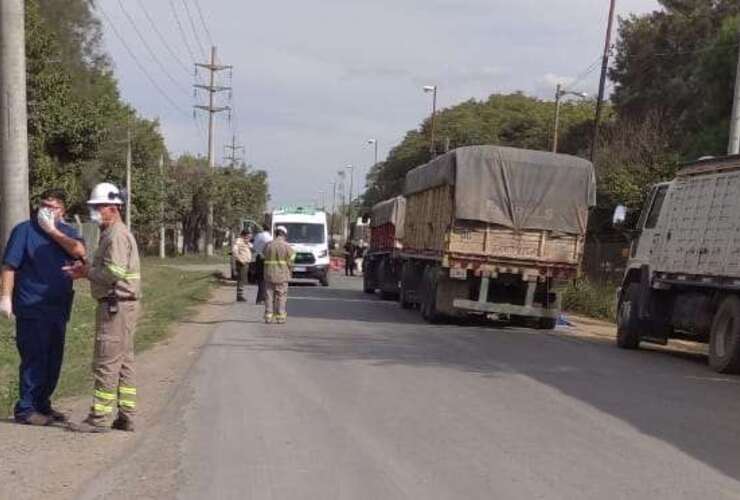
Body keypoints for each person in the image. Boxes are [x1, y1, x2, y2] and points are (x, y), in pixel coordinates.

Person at [1, 189, 86, 426]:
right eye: (44, 205)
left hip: (58, 307)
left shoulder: (67, 232)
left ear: (63, 211)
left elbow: (80, 252)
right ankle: (26, 408)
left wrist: (53, 231)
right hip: (31, 306)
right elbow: (9, 266)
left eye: (54, 207)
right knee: (34, 357)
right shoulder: (24, 231)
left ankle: (43, 404)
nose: (47, 210)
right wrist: (5, 296)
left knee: (53, 359)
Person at [64, 183, 141, 433]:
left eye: (99, 207)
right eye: (93, 207)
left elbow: (113, 272)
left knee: (106, 362)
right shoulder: (112, 233)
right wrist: (86, 272)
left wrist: (87, 272)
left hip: (115, 307)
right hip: (123, 307)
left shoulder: (116, 235)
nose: (95, 212)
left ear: (114, 208)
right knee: (124, 362)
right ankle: (126, 415)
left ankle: (99, 418)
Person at [263, 226, 294, 324]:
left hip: (269, 274)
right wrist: (291, 270)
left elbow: (263, 255)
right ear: (284, 234)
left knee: (269, 296)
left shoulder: (268, 245)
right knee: (281, 296)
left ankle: (268, 316)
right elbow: (292, 259)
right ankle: (280, 317)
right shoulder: (287, 246)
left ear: (276, 234)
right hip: (282, 275)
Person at [252, 224, 273, 305]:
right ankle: (262, 299)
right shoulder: (269, 237)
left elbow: (253, 247)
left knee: (260, 279)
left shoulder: (258, 236)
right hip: (265, 259)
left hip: (258, 258)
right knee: (264, 280)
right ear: (269, 229)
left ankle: (260, 298)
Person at [232, 230, 252, 302]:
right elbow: (234, 251)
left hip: (246, 263)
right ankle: (239, 296)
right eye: (248, 236)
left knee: (243, 279)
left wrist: (247, 242)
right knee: (241, 279)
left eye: (249, 237)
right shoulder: (239, 241)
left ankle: (240, 295)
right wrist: (240, 260)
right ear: (244, 235)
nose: (249, 238)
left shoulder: (245, 242)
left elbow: (251, 246)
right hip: (242, 263)